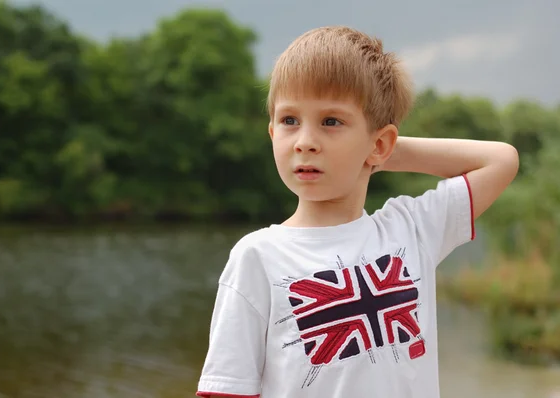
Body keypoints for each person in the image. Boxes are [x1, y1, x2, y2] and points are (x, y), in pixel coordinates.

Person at [196, 26, 519, 398]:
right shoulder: (256, 257)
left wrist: (376, 152)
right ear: (272, 133)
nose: (305, 143)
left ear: (381, 143)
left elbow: (499, 161)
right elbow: (226, 390)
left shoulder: (410, 230)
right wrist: (357, 146)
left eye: (331, 122)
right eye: (289, 121)